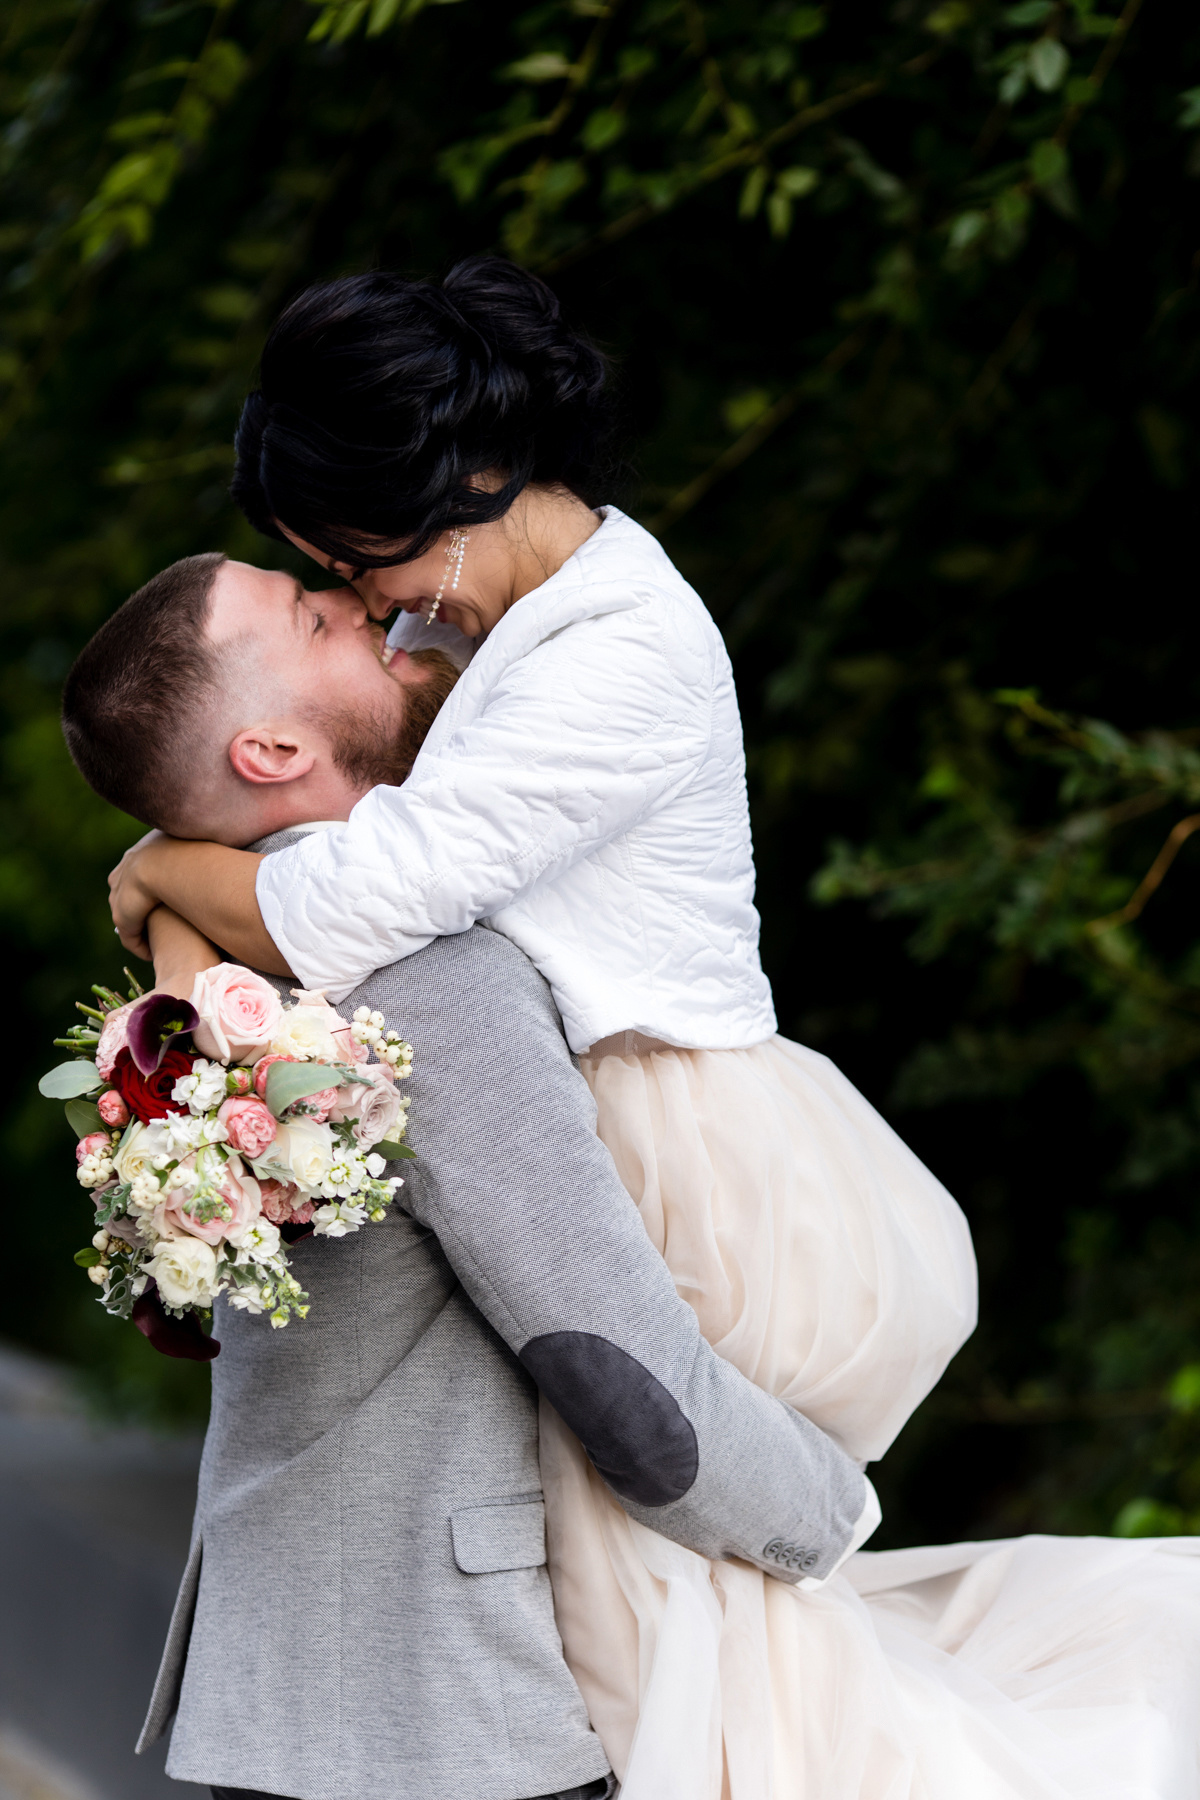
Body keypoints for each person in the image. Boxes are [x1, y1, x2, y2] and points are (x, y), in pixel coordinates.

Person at [99, 268, 1200, 1800]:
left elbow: (365, 899)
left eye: (343, 564)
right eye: (322, 591)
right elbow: (611, 1366)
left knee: (733, 1660)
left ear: (448, 498)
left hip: (688, 1143)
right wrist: (170, 908)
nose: (362, 604)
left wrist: (162, 868)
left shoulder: (611, 658)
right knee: (723, 1667)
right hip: (417, 1657)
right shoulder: (458, 773)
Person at [61, 554, 873, 1800]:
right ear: (271, 752)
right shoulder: (428, 983)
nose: (363, 602)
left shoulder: (189, 1003)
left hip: (274, 1698)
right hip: (446, 1715)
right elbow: (629, 1388)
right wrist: (835, 1520)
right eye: (314, 618)